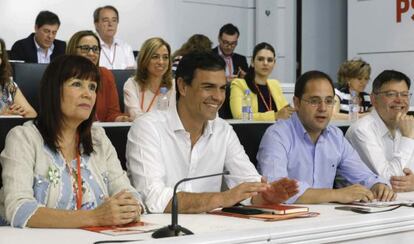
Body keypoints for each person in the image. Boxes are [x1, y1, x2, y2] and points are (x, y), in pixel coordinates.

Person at [126, 51, 298, 214]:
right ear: (183, 87)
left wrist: (265, 196)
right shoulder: (147, 128)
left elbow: (249, 184)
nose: (218, 97)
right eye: (208, 87)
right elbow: (154, 199)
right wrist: (222, 198)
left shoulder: (223, 130)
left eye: (222, 88)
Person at [0, 55, 142, 228]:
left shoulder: (98, 138)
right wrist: (94, 217)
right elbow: (18, 210)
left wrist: (131, 206)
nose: (87, 94)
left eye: (92, 87)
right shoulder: (23, 138)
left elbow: (127, 192)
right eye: (77, 84)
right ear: (54, 90)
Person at [257, 70, 395, 204]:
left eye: (329, 101)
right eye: (314, 101)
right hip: (287, 221)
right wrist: (336, 194)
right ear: (297, 103)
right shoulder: (277, 135)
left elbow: (362, 175)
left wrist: (378, 185)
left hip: (327, 218)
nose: (323, 108)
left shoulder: (335, 137)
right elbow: (275, 189)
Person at [346, 70, 414, 192]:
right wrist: (408, 138)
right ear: (373, 99)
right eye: (391, 94)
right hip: (365, 205)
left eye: (404, 94)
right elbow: (388, 180)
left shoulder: (408, 125)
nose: (399, 100)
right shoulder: (361, 130)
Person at [66, 30, 131, 122]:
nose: (91, 53)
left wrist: (121, 119)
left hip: (99, 131)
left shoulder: (105, 75)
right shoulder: (62, 76)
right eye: (85, 48)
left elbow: (112, 113)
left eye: (95, 49)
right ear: (73, 50)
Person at [230, 42, 294, 121]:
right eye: (260, 59)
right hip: (252, 131)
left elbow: (284, 112)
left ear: (274, 64)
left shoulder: (275, 84)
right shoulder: (239, 84)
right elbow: (239, 116)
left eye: (270, 60)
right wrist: (274, 116)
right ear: (252, 62)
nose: (265, 63)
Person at [123, 37, 175, 120]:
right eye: (155, 57)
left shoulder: (174, 86)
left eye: (165, 57)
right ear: (145, 59)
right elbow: (135, 116)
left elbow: (176, 118)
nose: (161, 62)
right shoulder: (132, 84)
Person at [0, 38, 37, 117]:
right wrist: (2, 115)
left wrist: (18, 113)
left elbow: (32, 114)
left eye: (0, 55)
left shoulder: (8, 85)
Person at [94, 5, 135, 69]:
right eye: (105, 20)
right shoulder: (91, 47)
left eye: (114, 20)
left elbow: (132, 74)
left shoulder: (125, 47)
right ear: (96, 25)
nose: (110, 24)